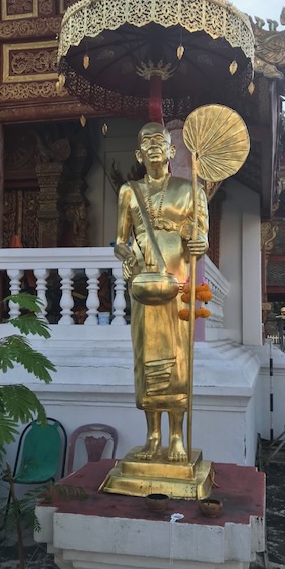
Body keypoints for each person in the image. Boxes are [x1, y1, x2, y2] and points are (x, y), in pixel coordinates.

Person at [115, 122, 209, 462]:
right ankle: (153, 436)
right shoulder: (129, 191)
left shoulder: (191, 189)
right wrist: (127, 257)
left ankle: (177, 436)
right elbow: (120, 241)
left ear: (172, 151)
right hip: (143, 284)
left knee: (177, 360)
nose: (154, 145)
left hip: (178, 284)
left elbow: (202, 235)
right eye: (147, 142)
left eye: (160, 140)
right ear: (139, 154)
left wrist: (200, 241)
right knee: (146, 359)